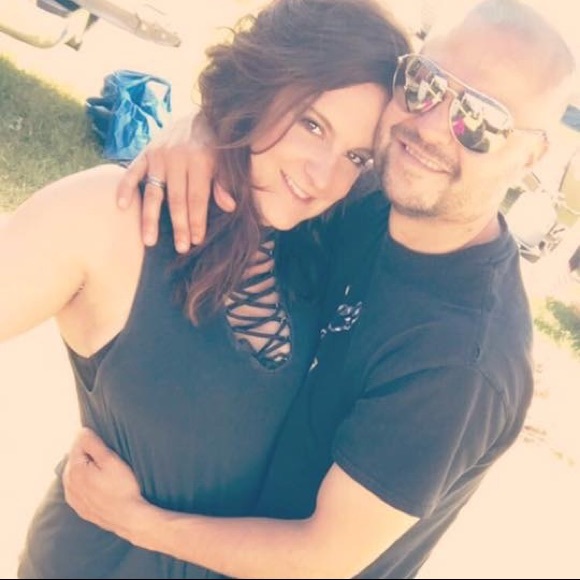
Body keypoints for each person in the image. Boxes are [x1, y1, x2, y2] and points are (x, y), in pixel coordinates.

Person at [62, 0, 578, 578]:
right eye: (426, 84)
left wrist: (133, 519)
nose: (431, 126)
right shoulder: (366, 194)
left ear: (531, 155)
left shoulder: (462, 361)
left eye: (481, 119)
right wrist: (204, 129)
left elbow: (319, 557)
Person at [0, 1, 411, 578]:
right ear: (263, 81)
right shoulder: (112, 215)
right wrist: (206, 122)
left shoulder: (317, 243)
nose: (322, 176)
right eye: (312, 124)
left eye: (354, 156)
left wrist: (202, 124)